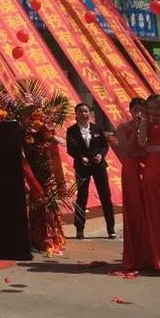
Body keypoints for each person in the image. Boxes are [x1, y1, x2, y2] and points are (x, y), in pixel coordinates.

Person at [65, 102, 115, 239]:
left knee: (105, 196)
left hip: (99, 166)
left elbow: (104, 146)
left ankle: (111, 228)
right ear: (76, 114)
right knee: (82, 197)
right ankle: (79, 229)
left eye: (86, 111)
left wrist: (101, 155)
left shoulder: (97, 128)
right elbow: (71, 149)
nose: (83, 114)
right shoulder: (72, 131)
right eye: (80, 111)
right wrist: (80, 157)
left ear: (90, 113)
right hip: (82, 167)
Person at [115, 97, 152, 270]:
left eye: (141, 110)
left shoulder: (151, 126)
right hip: (131, 170)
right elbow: (126, 150)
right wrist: (136, 129)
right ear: (130, 111)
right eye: (135, 110)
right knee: (135, 210)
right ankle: (137, 255)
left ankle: (153, 254)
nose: (138, 113)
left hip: (149, 168)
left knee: (151, 209)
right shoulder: (123, 128)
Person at [139, 94, 160, 271]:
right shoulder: (147, 124)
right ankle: (158, 258)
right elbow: (142, 143)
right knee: (155, 212)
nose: (153, 112)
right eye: (150, 108)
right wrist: (143, 124)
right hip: (151, 169)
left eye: (157, 108)